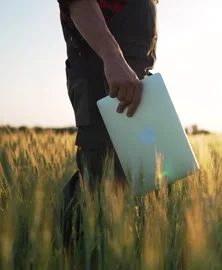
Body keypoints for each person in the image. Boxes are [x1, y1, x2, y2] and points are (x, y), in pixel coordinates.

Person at [56, 0, 158, 263]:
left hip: (132, 78)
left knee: (131, 181)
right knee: (101, 180)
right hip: (106, 74)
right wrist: (113, 57)